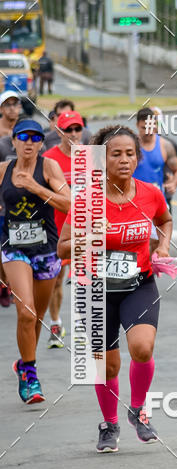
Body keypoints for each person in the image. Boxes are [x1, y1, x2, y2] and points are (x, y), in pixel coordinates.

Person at [57, 125, 173, 452]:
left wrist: (162, 246)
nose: (124, 160)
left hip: (139, 283)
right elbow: (63, 249)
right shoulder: (86, 201)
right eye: (116, 154)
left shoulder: (151, 193)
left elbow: (164, 220)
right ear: (101, 160)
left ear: (138, 157)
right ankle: (109, 424)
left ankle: (138, 410)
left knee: (142, 348)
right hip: (96, 291)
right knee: (107, 365)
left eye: (130, 153)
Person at [0, 119, 70, 403]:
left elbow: (69, 203)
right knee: (26, 313)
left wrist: (36, 187)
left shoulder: (49, 168)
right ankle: (31, 374)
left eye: (35, 138)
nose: (29, 142)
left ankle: (23, 364)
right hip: (13, 247)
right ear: (14, 141)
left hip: (46, 249)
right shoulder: (3, 170)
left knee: (37, 317)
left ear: (41, 143)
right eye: (23, 137)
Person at [43, 111, 86, 348]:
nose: (73, 134)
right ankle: (56, 322)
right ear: (58, 132)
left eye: (77, 129)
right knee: (57, 280)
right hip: (57, 230)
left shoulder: (90, 157)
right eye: (68, 129)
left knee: (90, 282)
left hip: (87, 229)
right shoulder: (49, 158)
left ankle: (91, 327)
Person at [0, 90, 24, 305]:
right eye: (7, 104)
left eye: (15, 104)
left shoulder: (26, 131)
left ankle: (11, 283)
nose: (11, 108)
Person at [133, 107, 177, 199]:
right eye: (144, 128)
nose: (148, 131)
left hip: (157, 201)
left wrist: (173, 183)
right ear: (137, 125)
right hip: (134, 201)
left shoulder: (165, 145)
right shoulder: (129, 145)